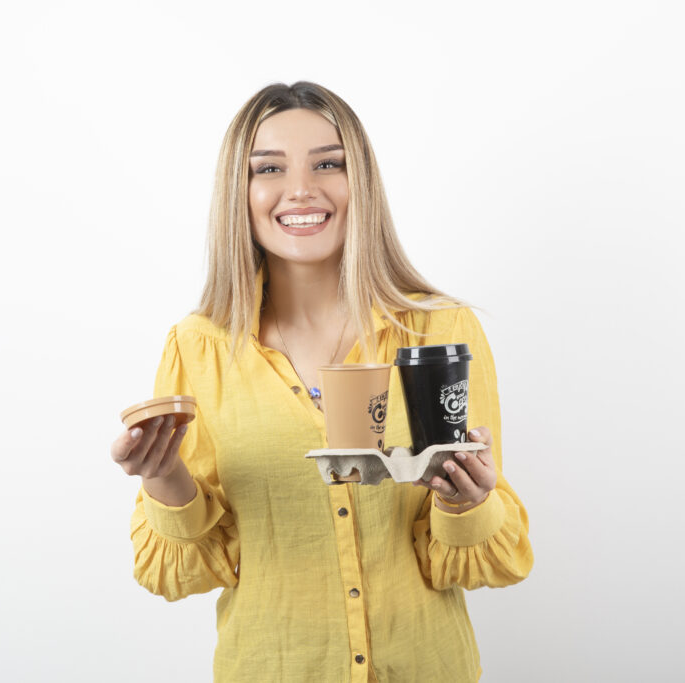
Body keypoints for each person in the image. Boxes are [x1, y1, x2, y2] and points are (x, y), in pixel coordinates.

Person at [110, 82, 533, 682]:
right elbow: (186, 573)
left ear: (361, 181)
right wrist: (163, 475)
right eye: (269, 168)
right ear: (238, 193)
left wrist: (467, 501)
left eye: (328, 163)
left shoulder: (440, 332)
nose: (301, 189)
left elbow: (481, 561)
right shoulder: (198, 347)